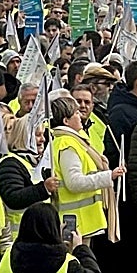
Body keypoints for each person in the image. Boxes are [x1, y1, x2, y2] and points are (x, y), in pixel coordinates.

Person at [49, 95, 125, 243]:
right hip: (75, 220)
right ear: (66, 121)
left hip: (82, 220)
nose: (80, 116)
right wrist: (109, 176)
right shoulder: (67, 144)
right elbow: (74, 182)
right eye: (76, 113)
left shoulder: (76, 140)